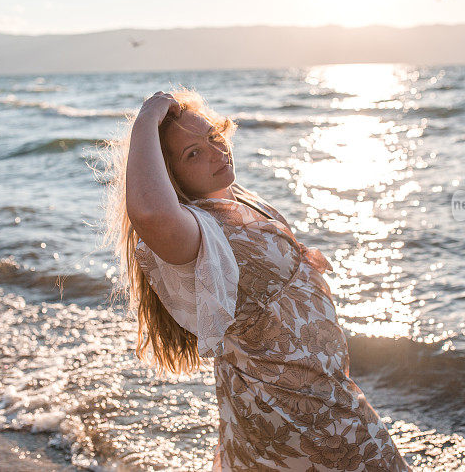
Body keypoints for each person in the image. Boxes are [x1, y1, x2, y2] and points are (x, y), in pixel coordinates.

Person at [103, 88, 412, 471]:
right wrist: (147, 118)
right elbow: (150, 213)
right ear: (171, 175)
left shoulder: (235, 201)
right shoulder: (200, 233)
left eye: (212, 137)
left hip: (289, 400)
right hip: (304, 415)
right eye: (193, 154)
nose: (217, 153)